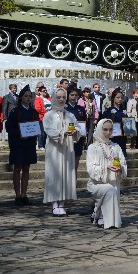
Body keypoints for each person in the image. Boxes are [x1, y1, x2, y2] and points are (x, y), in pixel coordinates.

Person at [42, 88, 79, 216]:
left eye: (63, 97)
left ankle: (62, 203)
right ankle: (54, 203)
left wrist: (76, 132)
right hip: (54, 149)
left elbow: (77, 127)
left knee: (65, 174)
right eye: (59, 97)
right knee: (54, 174)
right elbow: (49, 130)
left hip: (67, 148)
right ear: (54, 97)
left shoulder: (70, 115)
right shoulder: (49, 115)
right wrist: (62, 133)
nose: (61, 99)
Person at [86, 119, 127, 229]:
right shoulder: (92, 148)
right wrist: (106, 168)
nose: (108, 132)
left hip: (114, 181)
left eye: (110, 130)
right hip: (97, 183)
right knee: (108, 189)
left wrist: (120, 169)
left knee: (112, 188)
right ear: (99, 129)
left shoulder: (116, 147)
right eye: (105, 129)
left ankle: (99, 212)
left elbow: (123, 163)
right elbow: (90, 169)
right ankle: (100, 214)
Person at [5, 85, 39, 206]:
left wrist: (35, 133)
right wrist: (20, 133)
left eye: (30, 96)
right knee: (17, 168)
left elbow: (36, 126)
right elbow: (9, 127)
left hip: (29, 144)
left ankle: (24, 194)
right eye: (26, 96)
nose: (28, 98)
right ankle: (18, 195)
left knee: (26, 168)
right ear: (21, 98)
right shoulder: (15, 111)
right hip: (18, 144)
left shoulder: (34, 112)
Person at [66, 87, 88, 171]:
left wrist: (83, 134)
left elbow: (85, 122)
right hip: (67, 138)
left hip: (78, 138)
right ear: (68, 96)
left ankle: (74, 183)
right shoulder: (64, 108)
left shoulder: (81, 108)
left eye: (76, 95)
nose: (74, 97)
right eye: (72, 95)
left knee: (75, 166)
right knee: (67, 167)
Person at [101, 89, 127, 158]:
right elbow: (103, 124)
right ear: (113, 98)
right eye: (118, 98)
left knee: (122, 158)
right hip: (112, 138)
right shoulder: (109, 111)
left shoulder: (124, 111)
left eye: (121, 98)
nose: (120, 99)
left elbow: (127, 125)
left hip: (122, 139)